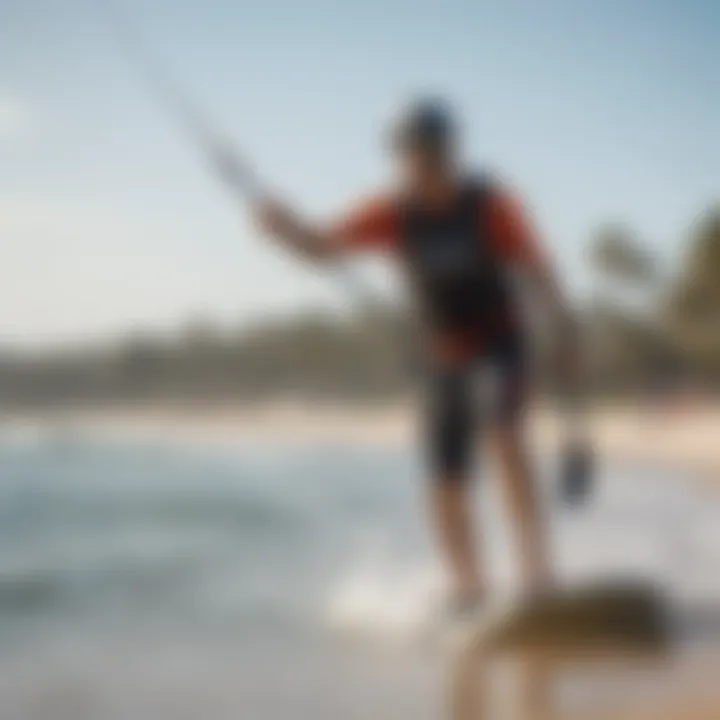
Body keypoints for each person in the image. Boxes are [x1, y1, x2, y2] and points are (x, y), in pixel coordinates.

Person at [251, 98, 578, 617]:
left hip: (501, 344)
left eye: (436, 155)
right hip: (443, 356)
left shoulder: (490, 206)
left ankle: (537, 577)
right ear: (402, 160)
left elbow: (539, 270)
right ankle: (468, 588)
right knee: (443, 475)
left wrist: (563, 332)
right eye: (415, 158)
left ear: (453, 153)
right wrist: (283, 229)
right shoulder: (390, 213)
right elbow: (321, 248)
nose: (427, 168)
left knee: (502, 433)